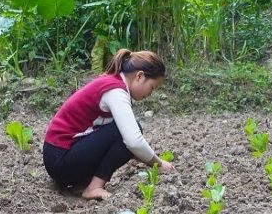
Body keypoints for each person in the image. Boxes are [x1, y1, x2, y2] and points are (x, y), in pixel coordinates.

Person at [42, 49, 174, 200]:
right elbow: (133, 142)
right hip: (60, 161)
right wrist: (158, 164)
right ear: (140, 76)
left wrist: (149, 160)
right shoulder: (115, 91)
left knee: (125, 132)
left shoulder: (112, 83)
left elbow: (121, 146)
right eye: (152, 87)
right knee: (129, 131)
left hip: (58, 158)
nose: (150, 94)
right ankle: (94, 187)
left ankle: (86, 183)